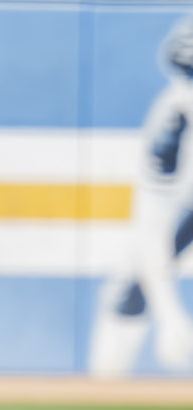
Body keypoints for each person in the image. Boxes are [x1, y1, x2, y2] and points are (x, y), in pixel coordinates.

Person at [89, 14, 193, 377]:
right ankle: (106, 393)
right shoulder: (173, 120)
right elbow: (152, 231)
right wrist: (171, 317)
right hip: (186, 204)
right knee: (129, 290)